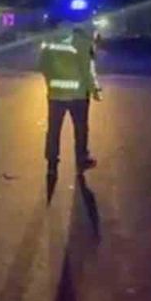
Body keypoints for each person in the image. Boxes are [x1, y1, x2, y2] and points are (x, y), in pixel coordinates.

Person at [39, 15, 98, 179]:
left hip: (56, 94)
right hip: (78, 95)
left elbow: (42, 65)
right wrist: (94, 90)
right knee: (80, 128)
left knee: (54, 129)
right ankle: (81, 160)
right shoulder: (82, 41)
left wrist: (51, 83)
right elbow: (87, 70)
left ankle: (52, 163)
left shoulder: (49, 40)